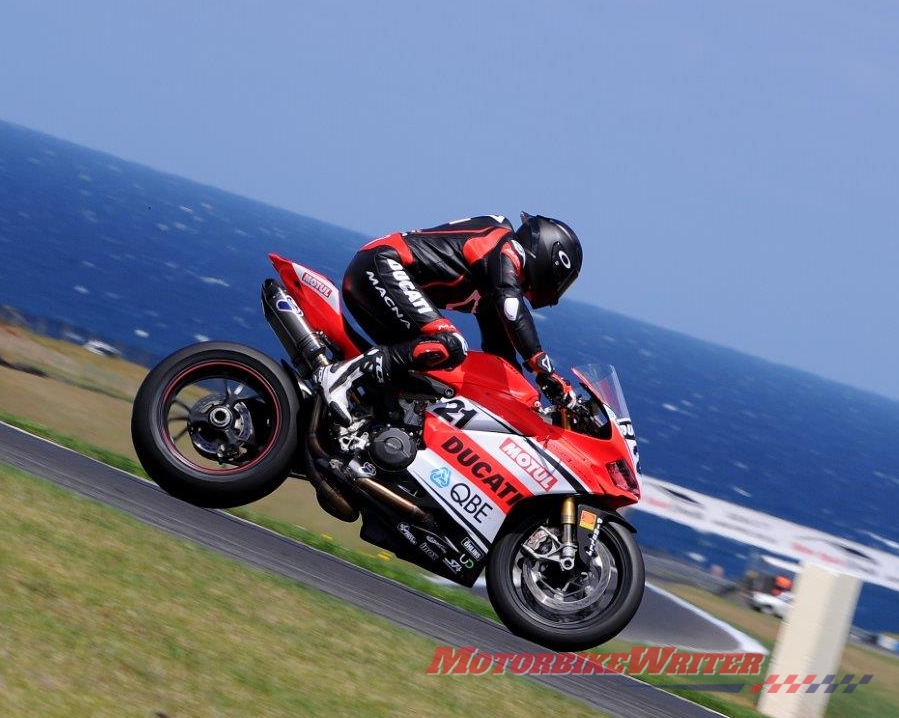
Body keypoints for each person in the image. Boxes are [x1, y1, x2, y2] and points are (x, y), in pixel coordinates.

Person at [315, 213, 583, 425]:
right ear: (551, 258)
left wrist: (530, 408)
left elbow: (501, 360)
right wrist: (543, 370)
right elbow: (512, 309)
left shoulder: (492, 282)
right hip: (382, 265)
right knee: (451, 345)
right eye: (562, 280)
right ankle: (341, 376)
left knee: (427, 376)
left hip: (376, 275)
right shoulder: (506, 249)